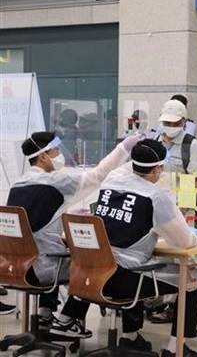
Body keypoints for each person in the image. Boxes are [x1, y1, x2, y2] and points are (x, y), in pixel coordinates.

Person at [6, 131, 141, 337]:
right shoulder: (55, 182)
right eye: (56, 150)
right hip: (43, 268)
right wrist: (124, 148)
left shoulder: (17, 185)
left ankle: (44, 314)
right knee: (90, 265)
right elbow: (98, 175)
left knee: (56, 250)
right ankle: (67, 321)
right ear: (43, 156)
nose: (60, 154)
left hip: (14, 267)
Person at [94, 139, 197, 357]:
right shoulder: (155, 196)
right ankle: (176, 349)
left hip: (94, 274)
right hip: (124, 279)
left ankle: (131, 336)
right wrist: (193, 234)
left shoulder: (110, 181)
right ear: (157, 169)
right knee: (195, 278)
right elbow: (185, 242)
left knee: (138, 262)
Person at [151, 100, 197, 325]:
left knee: (184, 262)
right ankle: (157, 303)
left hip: (179, 212)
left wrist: (185, 207)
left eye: (174, 122)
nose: (169, 126)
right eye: (165, 122)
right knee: (157, 257)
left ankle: (181, 313)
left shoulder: (190, 145)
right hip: (154, 210)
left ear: (183, 122)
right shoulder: (154, 141)